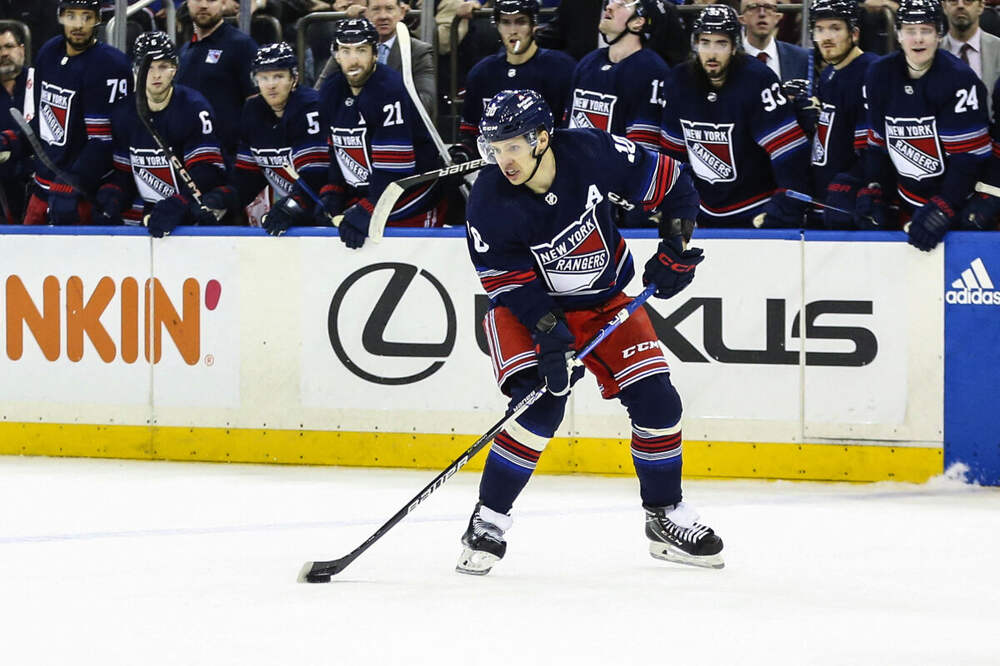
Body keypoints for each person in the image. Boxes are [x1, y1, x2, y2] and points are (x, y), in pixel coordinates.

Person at [456, 89, 721, 576]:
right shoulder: (489, 201)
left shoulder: (594, 151)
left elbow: (674, 184)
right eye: (494, 148)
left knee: (659, 402)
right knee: (539, 407)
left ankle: (664, 515)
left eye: (512, 146)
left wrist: (675, 248)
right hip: (528, 311)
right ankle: (488, 520)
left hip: (605, 302)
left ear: (541, 139)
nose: (503, 159)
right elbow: (506, 282)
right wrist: (548, 332)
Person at [660, 4, 810, 228]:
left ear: (734, 46)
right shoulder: (678, 81)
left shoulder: (758, 79)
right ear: (695, 44)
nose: (712, 53)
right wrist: (671, 203)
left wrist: (784, 208)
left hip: (755, 208)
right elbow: (672, 155)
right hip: (700, 210)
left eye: (721, 43)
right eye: (705, 42)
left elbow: (788, 152)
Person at [859, 0, 990, 249]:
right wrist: (875, 187)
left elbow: (968, 159)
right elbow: (877, 145)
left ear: (939, 35)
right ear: (898, 35)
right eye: (910, 30)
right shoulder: (878, 75)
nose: (918, 38)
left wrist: (944, 206)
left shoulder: (959, 79)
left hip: (957, 204)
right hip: (906, 198)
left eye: (926, 30)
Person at [316, 18, 444, 249]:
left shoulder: (389, 89)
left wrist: (368, 209)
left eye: (361, 50)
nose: (353, 59)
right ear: (336, 55)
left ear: (375, 54)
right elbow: (336, 149)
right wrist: (333, 192)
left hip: (412, 195)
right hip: (371, 193)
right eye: (346, 51)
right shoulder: (331, 90)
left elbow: (395, 168)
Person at [6, 0, 131, 225]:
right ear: (60, 17)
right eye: (71, 16)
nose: (78, 25)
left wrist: (75, 180)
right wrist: (13, 141)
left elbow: (105, 140)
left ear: (98, 20)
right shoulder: (48, 52)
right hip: (42, 189)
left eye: (86, 17)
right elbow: (44, 121)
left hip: (83, 194)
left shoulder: (111, 65)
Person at [96, 31, 226, 237]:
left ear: (175, 68)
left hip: (189, 216)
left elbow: (206, 172)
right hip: (145, 217)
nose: (156, 75)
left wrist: (179, 203)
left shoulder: (194, 108)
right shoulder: (123, 112)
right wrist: (112, 197)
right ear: (136, 69)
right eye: (148, 67)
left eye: (163, 66)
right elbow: (124, 172)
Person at [200, 42, 329, 235]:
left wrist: (291, 207)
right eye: (264, 77)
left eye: (279, 76)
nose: (271, 85)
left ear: (294, 78)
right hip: (293, 211)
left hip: (327, 212)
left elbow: (316, 178)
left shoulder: (311, 108)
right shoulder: (252, 111)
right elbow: (247, 177)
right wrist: (221, 198)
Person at [455, 0, 576, 159]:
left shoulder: (562, 68)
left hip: (547, 165)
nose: (513, 31)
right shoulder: (481, 73)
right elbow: (471, 132)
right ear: (497, 26)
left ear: (534, 25)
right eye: (506, 23)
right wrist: (463, 152)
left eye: (521, 22)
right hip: (497, 165)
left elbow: (570, 133)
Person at [807, 0, 879, 228]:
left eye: (835, 28)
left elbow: (873, 150)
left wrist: (853, 185)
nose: (826, 37)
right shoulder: (829, 73)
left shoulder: (872, 72)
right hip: (825, 200)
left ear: (854, 33)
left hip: (852, 205)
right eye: (820, 29)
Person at [566, 0, 671, 153]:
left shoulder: (651, 71)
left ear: (638, 22)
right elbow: (568, 128)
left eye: (621, 4)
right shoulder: (588, 62)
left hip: (617, 166)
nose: (609, 7)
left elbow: (642, 152)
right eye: (611, 2)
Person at [315, 0, 436, 114]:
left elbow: (425, 102)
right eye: (376, 9)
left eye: (389, 9)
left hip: (399, 125)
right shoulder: (347, 48)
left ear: (402, 13)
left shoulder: (418, 51)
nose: (383, 16)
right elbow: (319, 94)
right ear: (365, 13)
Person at [176, 0, 259, 164]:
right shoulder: (185, 51)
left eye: (211, 0)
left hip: (229, 158)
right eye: (197, 0)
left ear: (224, 3)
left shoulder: (242, 45)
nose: (203, 5)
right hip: (190, 155)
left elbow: (258, 105)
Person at [941, 0, 1000, 114]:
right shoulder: (931, 53)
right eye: (953, 1)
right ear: (944, 6)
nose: (960, 5)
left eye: (968, 1)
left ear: (981, 6)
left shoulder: (998, 49)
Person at [738, 0, 811, 82]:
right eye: (753, 7)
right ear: (741, 19)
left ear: (777, 17)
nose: (762, 14)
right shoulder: (730, 59)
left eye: (768, 7)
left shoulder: (802, 58)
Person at [0, 24, 29, 223]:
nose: (3, 53)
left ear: (21, 49)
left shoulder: (41, 83)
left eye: (9, 46)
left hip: (37, 182)